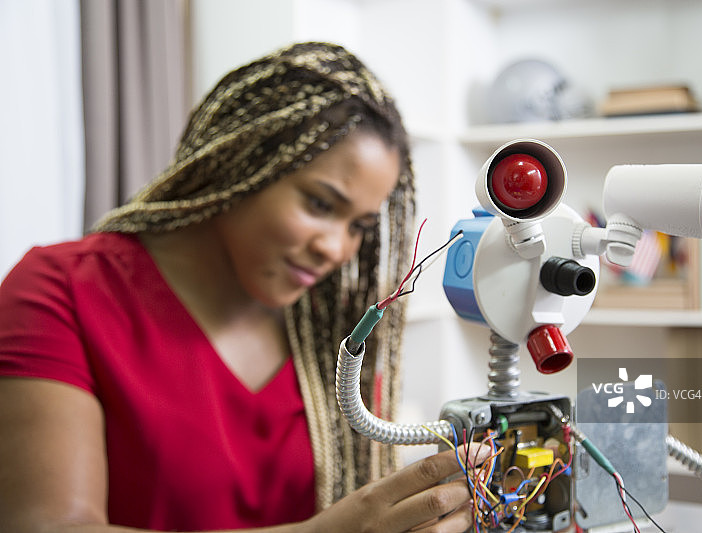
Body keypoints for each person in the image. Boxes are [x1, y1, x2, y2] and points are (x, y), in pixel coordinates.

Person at [0, 42, 486, 533]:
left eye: (358, 226)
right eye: (320, 204)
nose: (337, 249)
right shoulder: (60, 291)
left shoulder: (332, 334)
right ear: (239, 165)